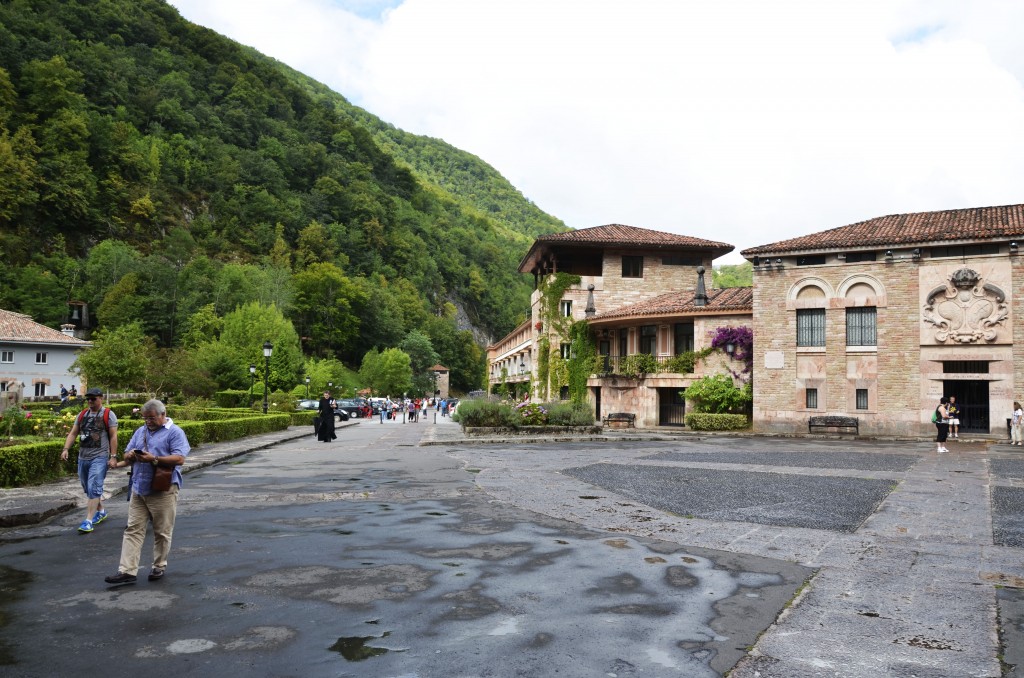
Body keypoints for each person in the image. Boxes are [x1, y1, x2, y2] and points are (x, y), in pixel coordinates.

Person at [104, 399, 189, 586]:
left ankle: (159, 565)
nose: (148, 421)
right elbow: (127, 454)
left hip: (162, 489)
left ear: (162, 414)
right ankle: (127, 570)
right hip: (139, 487)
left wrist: (155, 459)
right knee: (133, 529)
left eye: (151, 418)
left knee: (162, 531)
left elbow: (180, 458)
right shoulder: (141, 431)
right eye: (145, 418)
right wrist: (129, 456)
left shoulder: (174, 432)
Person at [60, 387, 118, 533]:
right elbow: (73, 433)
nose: (91, 401)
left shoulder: (108, 414)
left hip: (99, 457)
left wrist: (113, 456)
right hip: (83, 457)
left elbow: (113, 437)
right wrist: (65, 449)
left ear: (101, 398)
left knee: (94, 487)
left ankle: (88, 520)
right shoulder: (82, 414)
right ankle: (101, 511)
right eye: (89, 399)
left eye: (94, 398)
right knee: (88, 488)